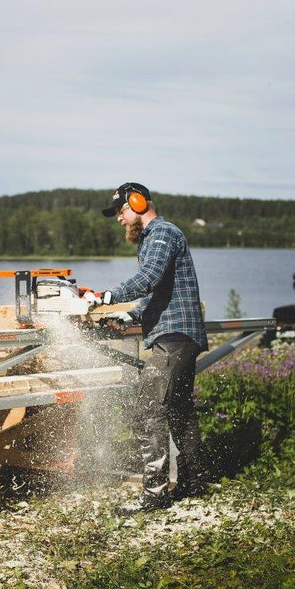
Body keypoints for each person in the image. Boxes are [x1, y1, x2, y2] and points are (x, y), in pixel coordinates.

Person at [85, 182, 209, 514]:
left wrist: (107, 296)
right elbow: (157, 293)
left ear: (138, 204)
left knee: (147, 410)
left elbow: (150, 276)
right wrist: (130, 315)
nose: (119, 219)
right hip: (178, 334)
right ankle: (193, 481)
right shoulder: (154, 239)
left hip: (173, 337)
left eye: (121, 211)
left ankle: (154, 495)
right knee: (179, 410)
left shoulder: (162, 233)